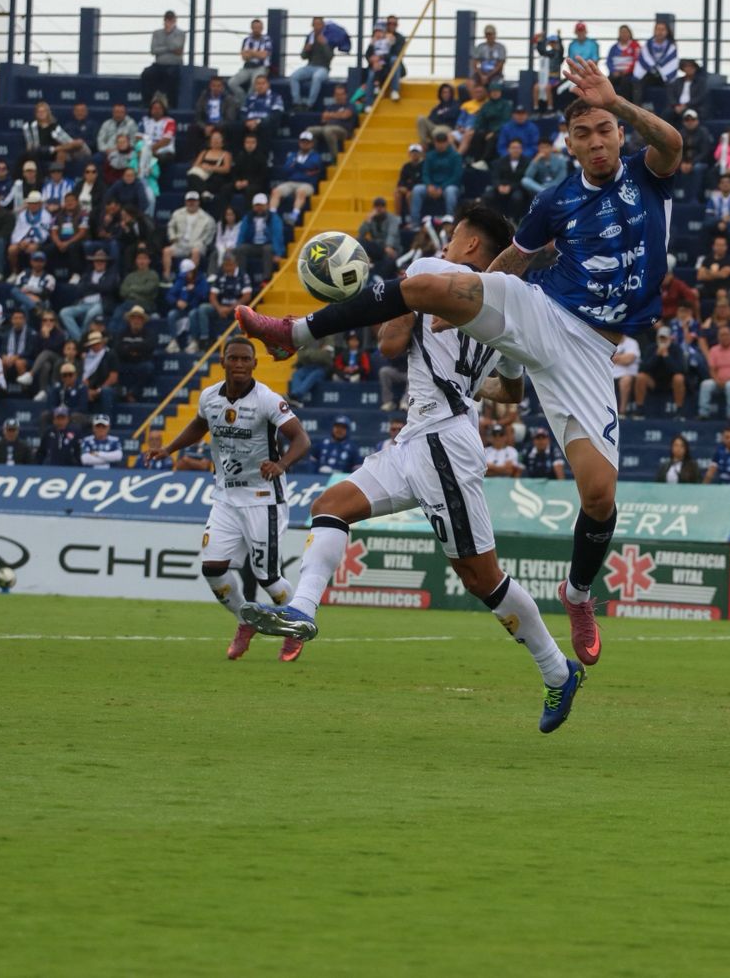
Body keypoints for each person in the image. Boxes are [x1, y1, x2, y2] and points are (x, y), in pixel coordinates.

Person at [236, 63, 681, 674]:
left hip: (590, 351)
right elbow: (512, 265)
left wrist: (617, 99)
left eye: (606, 128)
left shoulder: (644, 173)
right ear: (570, 143)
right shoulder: (555, 200)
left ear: (618, 132)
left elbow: (673, 143)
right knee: (424, 281)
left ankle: (577, 595)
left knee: (600, 497)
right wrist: (465, 302)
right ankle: (293, 332)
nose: (599, 140)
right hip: (545, 311)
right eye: (585, 133)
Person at [144, 337, 312, 659]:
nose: (238, 364)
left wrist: (281, 464)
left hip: (263, 497)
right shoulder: (209, 397)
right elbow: (199, 425)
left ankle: (296, 629)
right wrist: (168, 449)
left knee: (269, 579)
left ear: (254, 364)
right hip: (225, 497)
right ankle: (244, 620)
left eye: (244, 359)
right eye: (232, 358)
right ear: (223, 362)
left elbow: (301, 439)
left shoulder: (267, 400)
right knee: (212, 568)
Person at [141, 11, 185, 108]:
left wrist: (169, 33)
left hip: (174, 64)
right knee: (146, 73)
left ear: (175, 20)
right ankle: (147, 102)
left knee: (171, 75)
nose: (168, 22)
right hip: (159, 64)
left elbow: (177, 47)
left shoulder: (180, 33)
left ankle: (171, 103)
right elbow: (153, 50)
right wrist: (170, 49)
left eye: (171, 19)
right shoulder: (157, 33)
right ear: (164, 20)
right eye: (167, 19)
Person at [288, 17, 334, 109]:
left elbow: (330, 57)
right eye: (315, 24)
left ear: (323, 25)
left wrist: (324, 44)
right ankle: (297, 102)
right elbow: (303, 57)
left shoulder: (328, 37)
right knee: (294, 76)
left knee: (316, 77)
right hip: (310, 66)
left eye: (319, 24)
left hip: (323, 68)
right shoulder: (310, 37)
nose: (317, 27)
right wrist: (306, 50)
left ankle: (310, 104)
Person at [227, 18, 273, 99]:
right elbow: (244, 57)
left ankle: (247, 103)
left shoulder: (267, 39)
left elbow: (264, 55)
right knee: (232, 83)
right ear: (251, 28)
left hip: (261, 67)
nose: (257, 30)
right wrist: (257, 53)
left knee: (254, 85)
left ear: (262, 28)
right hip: (247, 67)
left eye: (259, 28)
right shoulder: (246, 40)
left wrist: (251, 52)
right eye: (255, 27)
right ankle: (245, 100)